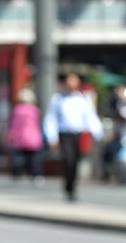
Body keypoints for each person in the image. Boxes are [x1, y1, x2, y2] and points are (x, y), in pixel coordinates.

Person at [42, 73, 105, 201]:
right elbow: (51, 119)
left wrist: (98, 132)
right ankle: (69, 186)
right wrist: (51, 137)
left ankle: (72, 184)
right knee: (68, 160)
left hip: (78, 134)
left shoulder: (82, 99)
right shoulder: (57, 99)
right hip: (65, 134)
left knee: (75, 160)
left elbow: (90, 117)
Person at [5, 87, 44, 185]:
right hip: (34, 137)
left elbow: (14, 125)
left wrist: (11, 135)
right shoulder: (35, 110)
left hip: (21, 138)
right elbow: (39, 123)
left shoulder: (18, 110)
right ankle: (35, 175)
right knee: (33, 158)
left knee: (19, 158)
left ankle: (16, 173)